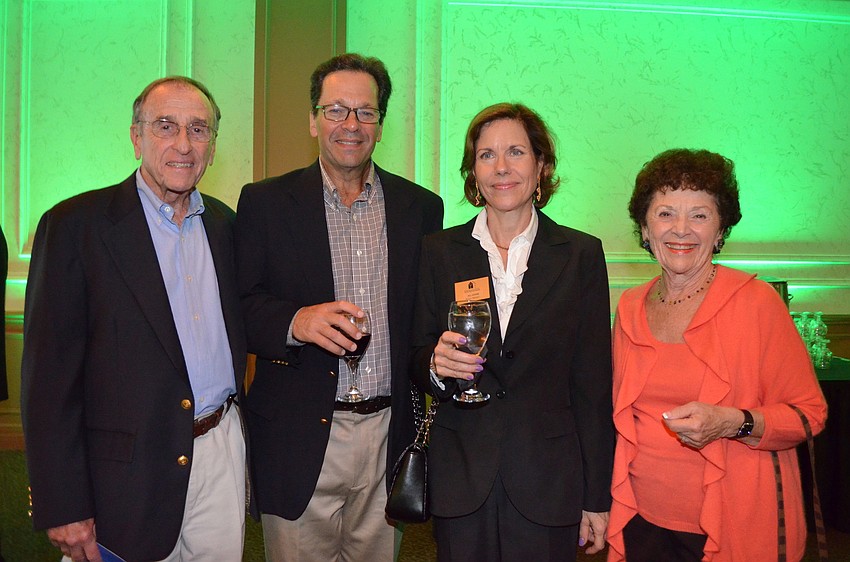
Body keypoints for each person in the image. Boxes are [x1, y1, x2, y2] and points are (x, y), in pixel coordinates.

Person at [21, 76, 247, 562]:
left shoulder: (226, 225)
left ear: (214, 144)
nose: (183, 144)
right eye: (166, 126)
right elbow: (48, 382)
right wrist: (61, 501)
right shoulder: (75, 227)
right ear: (136, 136)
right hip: (124, 474)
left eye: (199, 129)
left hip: (220, 454)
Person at [235, 53, 444, 562]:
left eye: (365, 112)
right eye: (335, 110)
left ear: (380, 123)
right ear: (313, 120)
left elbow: (425, 322)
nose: (351, 125)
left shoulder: (422, 208)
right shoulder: (263, 203)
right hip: (299, 434)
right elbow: (239, 308)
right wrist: (296, 321)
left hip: (385, 435)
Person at [411, 103, 614, 561]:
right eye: (486, 155)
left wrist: (596, 497)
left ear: (541, 166)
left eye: (516, 152)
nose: (501, 167)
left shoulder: (580, 254)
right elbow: (416, 356)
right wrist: (434, 364)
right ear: (473, 172)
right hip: (463, 478)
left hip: (550, 481)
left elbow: (593, 386)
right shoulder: (439, 251)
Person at [607, 148, 828, 561]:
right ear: (644, 227)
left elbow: (808, 414)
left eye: (700, 215)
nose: (682, 230)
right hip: (642, 519)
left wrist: (734, 422)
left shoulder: (756, 303)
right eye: (666, 213)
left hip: (733, 522)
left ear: (721, 228)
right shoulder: (630, 307)